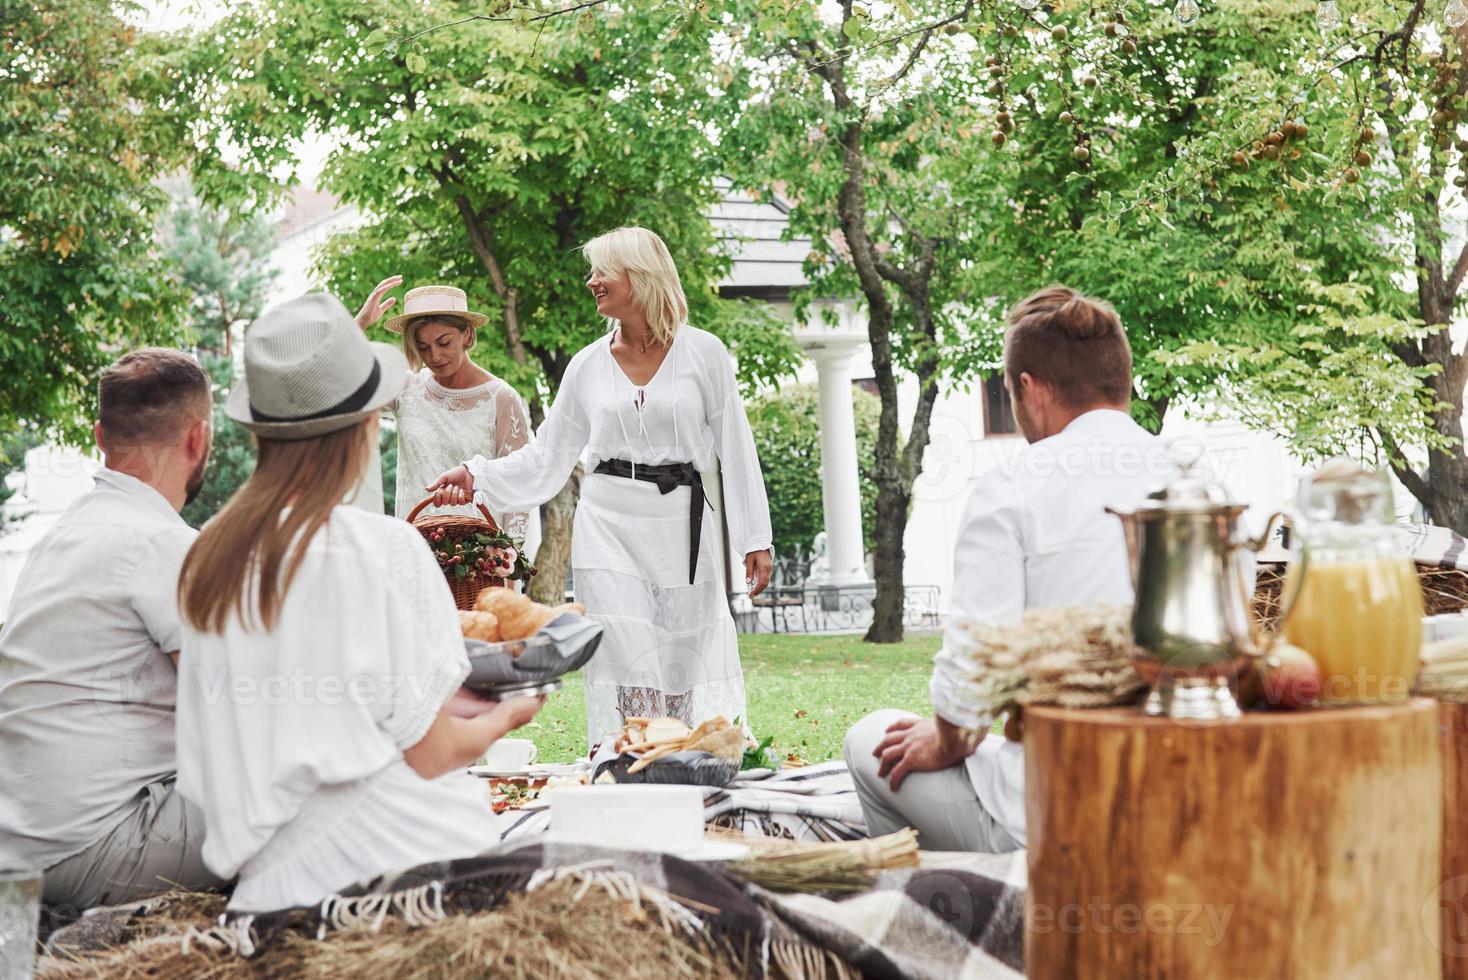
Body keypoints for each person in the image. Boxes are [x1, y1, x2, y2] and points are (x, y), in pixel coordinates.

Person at [173, 293, 542, 913]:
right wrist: (517, 708)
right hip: (390, 870)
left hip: (262, 883)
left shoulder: (207, 555)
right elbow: (433, 754)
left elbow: (324, 703)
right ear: (368, 425)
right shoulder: (386, 549)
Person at [843, 286, 1178, 852]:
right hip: (1182, 792)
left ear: (1029, 389)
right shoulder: (1197, 479)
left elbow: (971, 672)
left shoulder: (1011, 487)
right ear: (1120, 380)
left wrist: (946, 741)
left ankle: (958, 912)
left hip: (1058, 813)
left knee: (867, 741)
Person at [427, 227, 774, 746]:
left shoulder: (704, 353)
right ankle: (637, 754)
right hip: (608, 524)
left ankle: (676, 757)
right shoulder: (587, 365)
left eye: (601, 271)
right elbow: (548, 457)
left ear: (638, 275)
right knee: (628, 651)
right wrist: (476, 475)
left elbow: (737, 448)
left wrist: (755, 538)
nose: (591, 282)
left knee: (681, 655)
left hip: (684, 528)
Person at [0, 349, 225, 910]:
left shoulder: (64, 536)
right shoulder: (162, 543)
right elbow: (238, 707)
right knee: (321, 767)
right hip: (96, 848)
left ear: (101, 435)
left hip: (21, 843)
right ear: (198, 440)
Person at [355, 279, 531, 543]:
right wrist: (357, 326)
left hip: (479, 560)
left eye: (444, 342)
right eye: (423, 347)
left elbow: (518, 486)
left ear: (467, 335)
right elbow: (339, 379)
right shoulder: (405, 389)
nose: (434, 356)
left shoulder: (501, 398)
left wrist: (509, 559)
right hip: (415, 550)